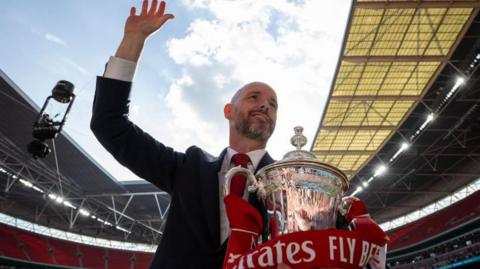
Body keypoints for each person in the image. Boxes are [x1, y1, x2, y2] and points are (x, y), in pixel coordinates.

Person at [90, 0, 278, 268]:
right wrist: (134, 39)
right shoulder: (189, 167)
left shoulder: (290, 184)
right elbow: (110, 124)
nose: (264, 105)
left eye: (273, 104)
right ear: (228, 110)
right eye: (254, 97)